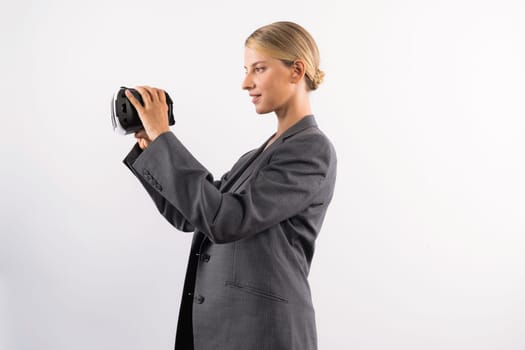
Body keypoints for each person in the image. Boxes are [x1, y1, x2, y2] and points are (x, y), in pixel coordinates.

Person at [123, 21, 337, 350]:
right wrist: (150, 146)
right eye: (246, 70)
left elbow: (227, 220)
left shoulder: (311, 149)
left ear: (296, 71)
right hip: (222, 332)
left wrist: (165, 139)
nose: (246, 82)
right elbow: (193, 215)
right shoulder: (255, 156)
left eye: (259, 69)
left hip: (263, 334)